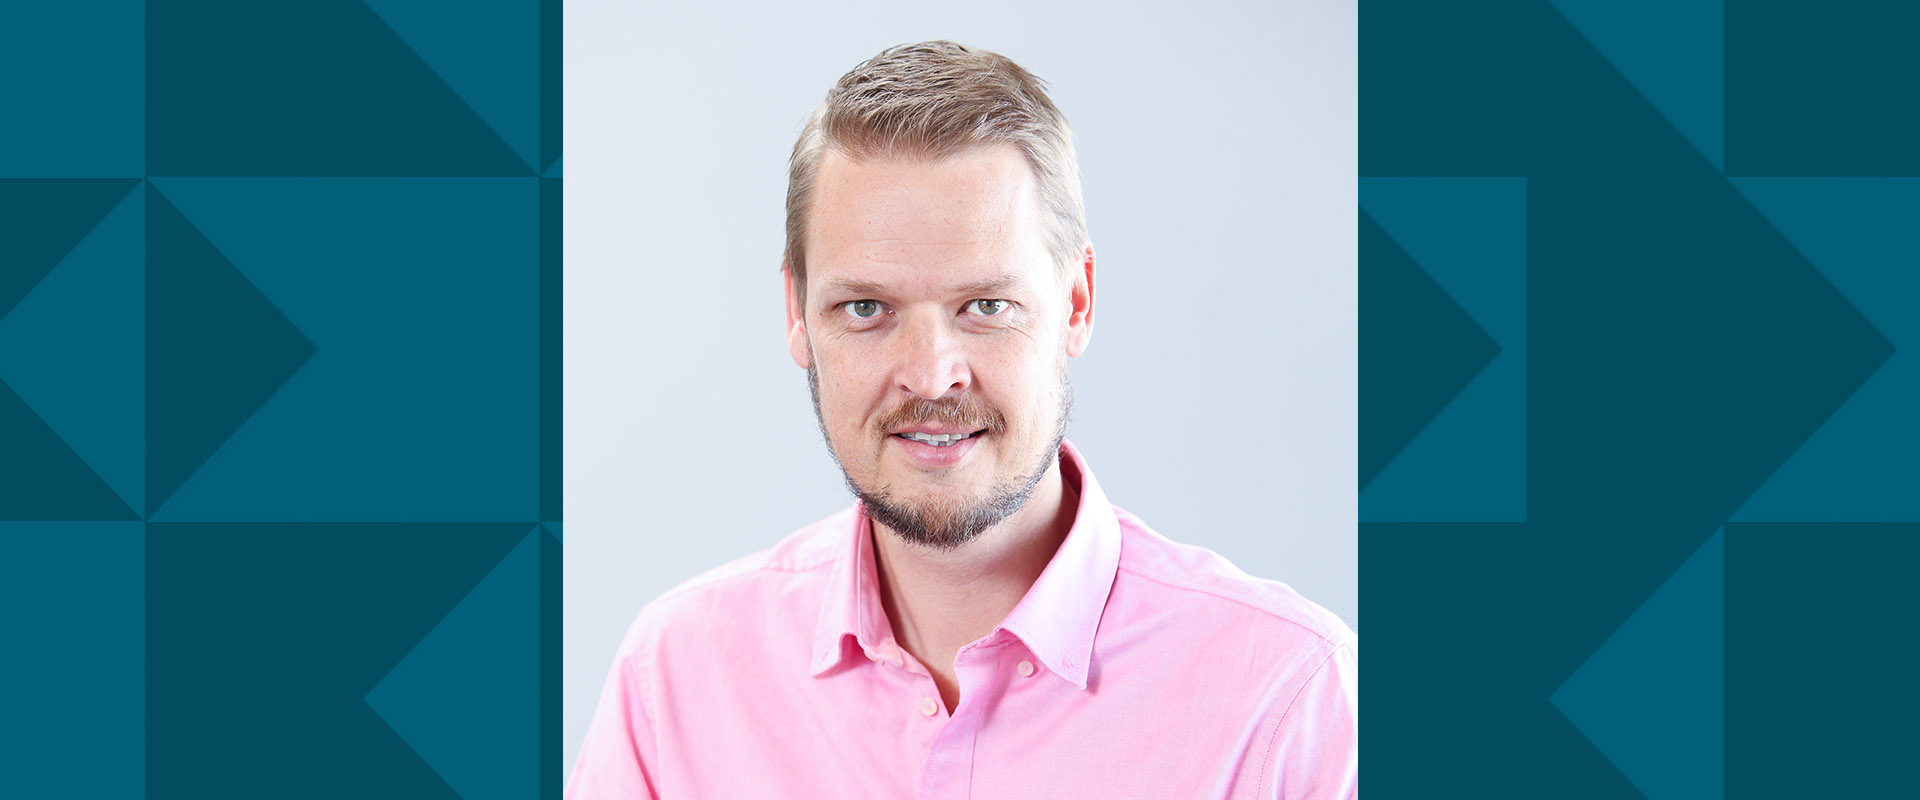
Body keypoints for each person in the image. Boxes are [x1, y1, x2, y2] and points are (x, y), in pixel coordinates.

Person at [568, 40, 1356, 799]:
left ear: (1077, 301)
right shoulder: (674, 678)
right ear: (797, 313)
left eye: (986, 305)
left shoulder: (1291, 700)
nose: (931, 374)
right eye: (866, 308)